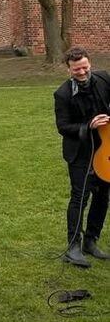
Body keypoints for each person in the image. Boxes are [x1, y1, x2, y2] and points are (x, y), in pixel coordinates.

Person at [53, 47, 110, 267]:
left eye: (85, 67)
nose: (82, 72)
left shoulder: (103, 78)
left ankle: (91, 241)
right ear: (68, 68)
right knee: (80, 197)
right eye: (77, 69)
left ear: (90, 63)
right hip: (79, 152)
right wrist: (88, 126)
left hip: (105, 149)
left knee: (102, 196)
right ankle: (73, 247)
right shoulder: (63, 94)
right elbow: (63, 127)